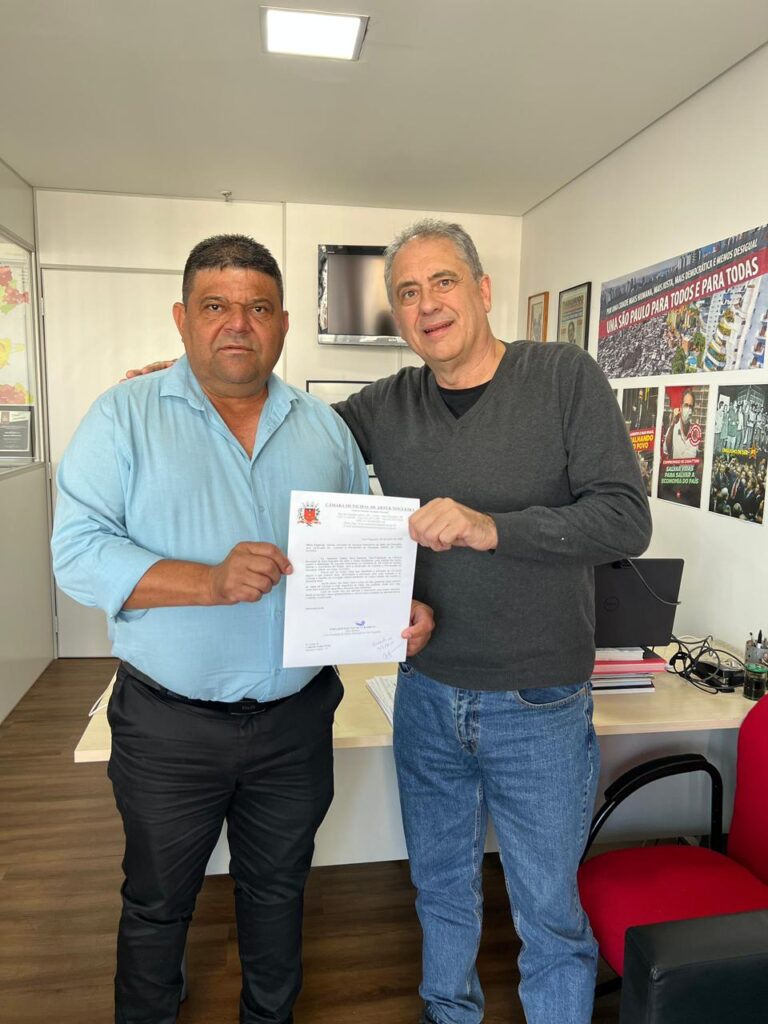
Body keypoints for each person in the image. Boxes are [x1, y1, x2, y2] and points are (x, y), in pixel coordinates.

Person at [129, 220, 652, 1024]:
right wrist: (184, 393)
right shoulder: (386, 404)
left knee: (549, 915)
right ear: (397, 316)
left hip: (539, 703)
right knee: (439, 892)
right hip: (427, 693)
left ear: (483, 290)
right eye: (407, 292)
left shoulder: (561, 377)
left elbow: (624, 519)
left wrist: (492, 527)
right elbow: (283, 422)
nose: (426, 304)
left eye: (443, 282)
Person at [52, 234, 433, 1024]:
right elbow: (77, 555)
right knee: (157, 902)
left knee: (278, 892)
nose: (238, 323)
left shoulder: (325, 430)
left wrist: (397, 607)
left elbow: (355, 550)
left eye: (258, 308)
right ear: (182, 319)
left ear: (283, 324)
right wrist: (208, 581)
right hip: (168, 729)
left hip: (295, 726)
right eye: (216, 306)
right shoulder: (122, 417)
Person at [663, 388, 700, 459]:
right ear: (681, 407)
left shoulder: (694, 431)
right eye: (686, 405)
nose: (688, 409)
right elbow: (666, 449)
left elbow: (694, 456)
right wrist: (673, 424)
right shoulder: (674, 426)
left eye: (691, 406)